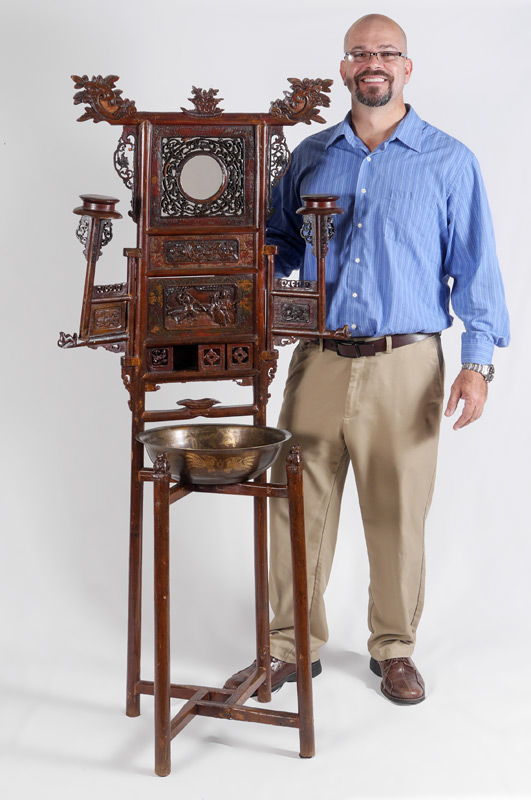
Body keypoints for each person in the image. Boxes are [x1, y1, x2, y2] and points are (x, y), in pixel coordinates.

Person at [225, 13, 510, 704]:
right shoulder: (312, 155)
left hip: (404, 364)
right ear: (343, 68)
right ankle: (291, 648)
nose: (372, 63)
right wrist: (238, 258)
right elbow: (278, 245)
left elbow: (476, 272)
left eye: (386, 52)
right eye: (359, 53)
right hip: (318, 359)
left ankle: (394, 649)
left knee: (397, 511)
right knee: (297, 504)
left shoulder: (447, 160)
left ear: (407, 67)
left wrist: (476, 364)